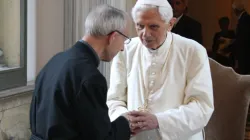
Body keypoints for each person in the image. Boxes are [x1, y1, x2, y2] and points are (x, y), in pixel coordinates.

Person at [107, 0, 214, 140]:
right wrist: (126, 120)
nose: (145, 34)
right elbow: (114, 99)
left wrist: (159, 121)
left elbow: (202, 106)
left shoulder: (193, 51)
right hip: (135, 136)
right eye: (140, 26)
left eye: (153, 26)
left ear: (170, 24)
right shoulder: (125, 49)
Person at [30, 4, 132, 140]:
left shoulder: (55, 61)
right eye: (124, 40)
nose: (122, 49)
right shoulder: (91, 77)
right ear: (113, 36)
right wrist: (126, 123)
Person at [229, 0, 250, 74]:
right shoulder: (245, 18)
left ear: (235, 10)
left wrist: (233, 43)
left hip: (244, 55)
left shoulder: (245, 19)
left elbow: (243, 39)